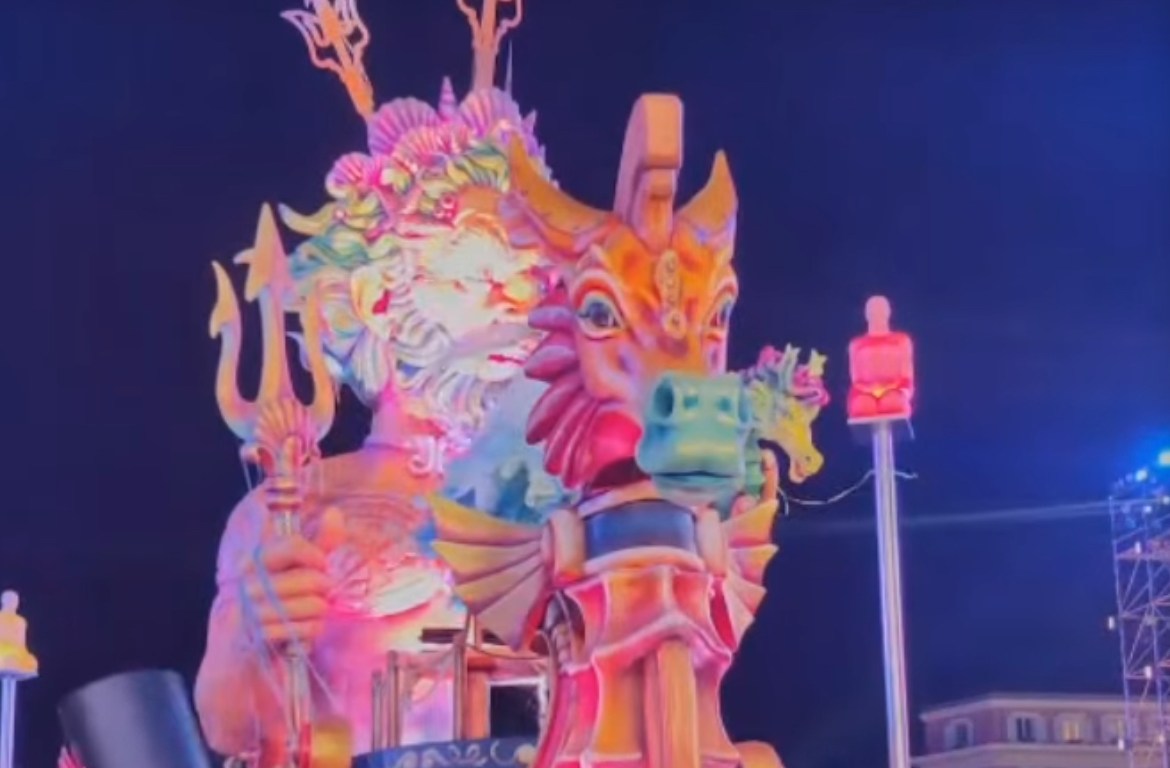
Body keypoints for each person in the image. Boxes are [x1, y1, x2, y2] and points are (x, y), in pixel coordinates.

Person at [194, 74, 558, 759]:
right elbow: (228, 724)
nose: (519, 298)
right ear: (378, 298)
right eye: (483, 268)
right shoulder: (296, 507)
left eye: (531, 274)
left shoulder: (555, 501)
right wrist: (255, 635)